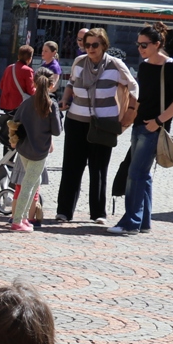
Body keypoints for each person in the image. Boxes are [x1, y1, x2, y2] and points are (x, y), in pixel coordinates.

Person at [109, 23, 173, 235]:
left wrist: (158, 122)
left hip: (155, 128)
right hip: (139, 125)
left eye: (144, 45)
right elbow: (142, 98)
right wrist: (130, 118)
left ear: (157, 44)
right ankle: (143, 222)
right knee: (142, 174)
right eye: (138, 44)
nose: (140, 48)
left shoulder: (170, 66)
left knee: (136, 173)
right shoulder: (144, 66)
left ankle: (131, 222)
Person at [58, 27, 134, 223]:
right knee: (71, 168)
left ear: (104, 45)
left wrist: (131, 111)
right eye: (87, 44)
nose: (90, 48)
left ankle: (98, 213)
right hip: (76, 121)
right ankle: (64, 211)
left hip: (103, 125)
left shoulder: (115, 65)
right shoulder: (79, 62)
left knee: (98, 169)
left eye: (94, 45)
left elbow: (134, 86)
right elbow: (71, 83)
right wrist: (65, 99)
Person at [7, 68, 61, 232]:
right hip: (39, 151)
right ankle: (18, 221)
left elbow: (15, 121)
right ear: (51, 85)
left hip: (24, 149)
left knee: (33, 182)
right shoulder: (51, 105)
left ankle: (23, 217)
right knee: (29, 184)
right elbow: (57, 131)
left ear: (34, 83)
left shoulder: (27, 102)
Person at [0, 45, 37, 114]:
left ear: (18, 56)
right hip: (19, 105)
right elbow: (31, 91)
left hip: (5, 103)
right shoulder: (28, 70)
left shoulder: (9, 67)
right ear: (30, 58)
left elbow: (1, 85)